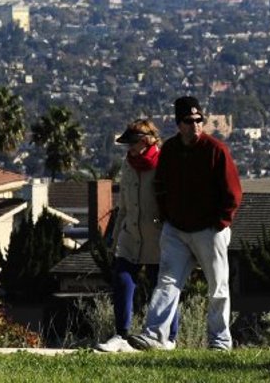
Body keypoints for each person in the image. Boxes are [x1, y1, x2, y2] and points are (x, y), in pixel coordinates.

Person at [129, 96, 242, 351]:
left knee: (218, 287)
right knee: (167, 282)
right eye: (189, 121)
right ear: (178, 124)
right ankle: (155, 334)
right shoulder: (170, 150)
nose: (196, 125)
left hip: (209, 230)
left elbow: (233, 192)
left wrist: (220, 223)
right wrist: (167, 217)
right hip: (177, 230)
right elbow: (161, 186)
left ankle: (220, 341)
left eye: (199, 120)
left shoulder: (216, 150)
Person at [94, 118, 180, 352]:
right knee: (122, 279)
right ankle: (121, 335)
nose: (129, 148)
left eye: (132, 143)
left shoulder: (164, 163)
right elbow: (123, 204)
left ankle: (169, 338)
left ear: (145, 141)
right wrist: (114, 234)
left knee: (161, 286)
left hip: (158, 236)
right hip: (130, 234)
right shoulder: (128, 165)